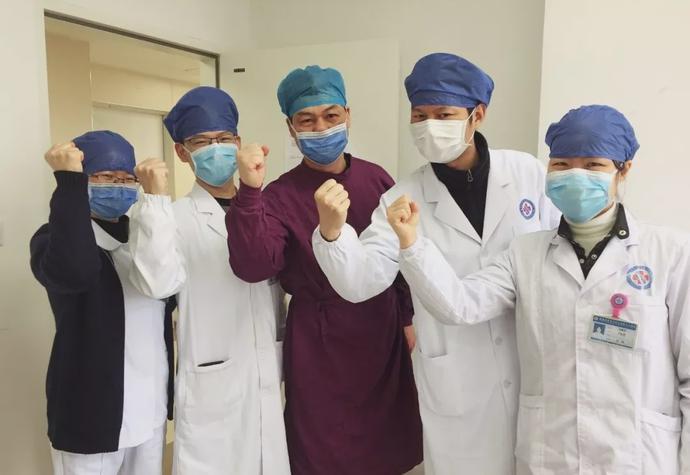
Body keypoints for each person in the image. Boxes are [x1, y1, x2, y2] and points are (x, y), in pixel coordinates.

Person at [390, 104, 690, 474]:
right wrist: (412, 245)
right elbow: (460, 305)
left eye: (593, 165)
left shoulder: (670, 254)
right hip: (551, 455)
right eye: (561, 164)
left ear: (623, 169)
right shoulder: (525, 253)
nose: (575, 175)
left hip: (637, 458)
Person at [311, 52, 559, 474]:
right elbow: (360, 282)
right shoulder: (401, 197)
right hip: (456, 372)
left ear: (477, 115)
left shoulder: (527, 173)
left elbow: (560, 249)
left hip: (530, 360)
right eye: (419, 115)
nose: (429, 126)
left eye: (444, 114)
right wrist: (333, 234)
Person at [226, 66, 423, 474]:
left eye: (331, 116)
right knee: (322, 451)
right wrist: (249, 190)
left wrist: (405, 317)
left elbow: (399, 255)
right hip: (319, 342)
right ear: (290, 127)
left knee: (385, 446)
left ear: (348, 115)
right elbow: (254, 265)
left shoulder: (377, 178)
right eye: (307, 120)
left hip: (380, 330)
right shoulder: (278, 194)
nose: (321, 128)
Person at [127, 86, 290, 474]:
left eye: (223, 139)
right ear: (182, 152)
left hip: (267, 370)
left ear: (238, 142)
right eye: (201, 142)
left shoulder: (266, 207)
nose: (216, 149)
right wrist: (154, 200)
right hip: (212, 379)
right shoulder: (170, 217)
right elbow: (157, 284)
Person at [30, 131, 172, 475]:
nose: (118, 186)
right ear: (83, 180)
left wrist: (157, 201)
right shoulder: (53, 240)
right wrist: (68, 182)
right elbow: (76, 272)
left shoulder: (144, 235)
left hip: (149, 408)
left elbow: (166, 287)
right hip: (90, 415)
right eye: (105, 177)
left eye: (126, 179)